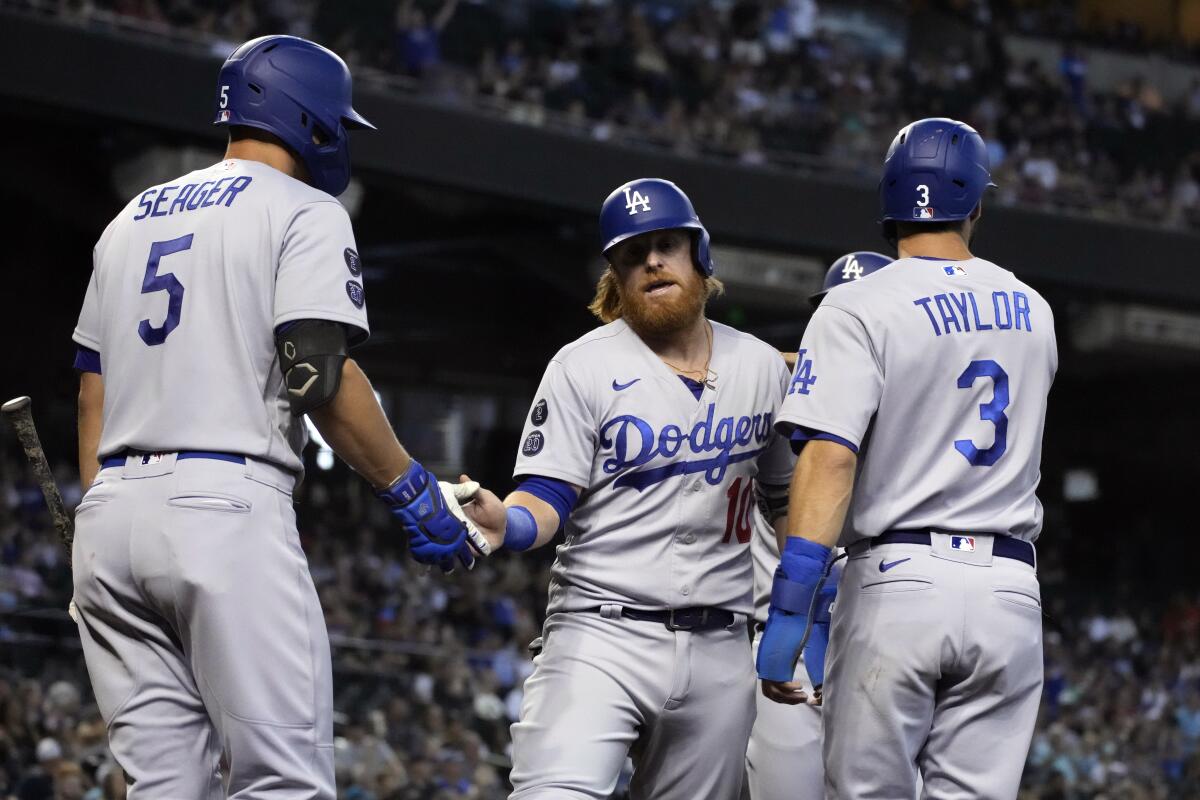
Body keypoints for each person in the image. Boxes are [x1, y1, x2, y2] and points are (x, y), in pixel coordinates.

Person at [70, 35, 481, 798]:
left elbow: (92, 385)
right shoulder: (305, 209)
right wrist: (408, 486)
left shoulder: (128, 219)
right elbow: (316, 374)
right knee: (282, 782)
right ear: (309, 117)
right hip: (223, 508)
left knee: (164, 788)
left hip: (110, 518)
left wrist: (98, 501)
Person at [463, 178, 795, 799]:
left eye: (667, 244)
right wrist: (507, 522)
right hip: (601, 633)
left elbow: (786, 506)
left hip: (723, 646)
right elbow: (546, 499)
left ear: (701, 255)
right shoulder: (582, 365)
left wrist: (807, 603)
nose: (652, 261)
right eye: (632, 253)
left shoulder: (760, 368)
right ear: (614, 276)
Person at [757, 117, 1057, 799]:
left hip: (901, 580)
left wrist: (790, 611)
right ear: (977, 203)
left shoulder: (856, 306)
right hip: (1009, 588)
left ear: (889, 204)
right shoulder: (1035, 310)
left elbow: (830, 459)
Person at [745, 250, 890, 800]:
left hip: (879, 646)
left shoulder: (918, 418)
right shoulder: (772, 393)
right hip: (783, 650)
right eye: (836, 312)